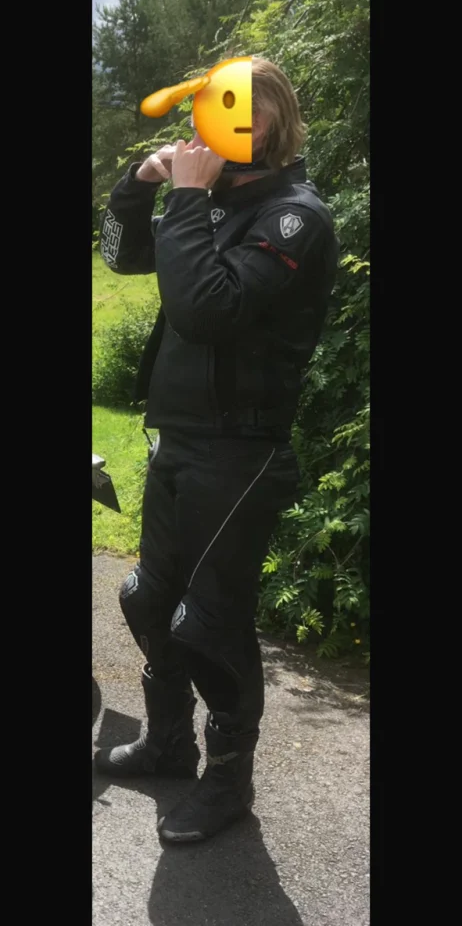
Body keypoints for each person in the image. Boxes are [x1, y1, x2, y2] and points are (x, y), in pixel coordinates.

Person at [94, 57, 339, 843]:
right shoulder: (216, 204)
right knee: (146, 600)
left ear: (274, 121)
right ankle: (168, 744)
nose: (221, 121)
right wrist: (140, 184)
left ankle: (229, 781)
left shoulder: (293, 216)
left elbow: (205, 310)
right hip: (179, 438)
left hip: (242, 449)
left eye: (241, 108)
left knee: (209, 623)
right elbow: (121, 256)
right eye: (210, 106)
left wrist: (190, 197)